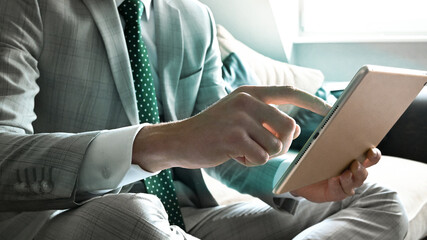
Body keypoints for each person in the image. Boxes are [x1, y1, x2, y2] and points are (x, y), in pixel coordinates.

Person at [0, 0, 407, 239]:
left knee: (379, 198)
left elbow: (224, 153)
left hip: (186, 216)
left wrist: (296, 179)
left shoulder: (193, 16)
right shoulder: (26, 7)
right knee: (133, 214)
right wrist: (160, 143)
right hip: (63, 215)